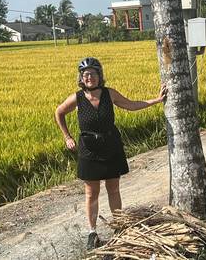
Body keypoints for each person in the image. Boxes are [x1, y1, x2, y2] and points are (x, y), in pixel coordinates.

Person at [54, 57, 167, 250]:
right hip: (88, 148)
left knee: (113, 189)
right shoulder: (77, 97)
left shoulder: (109, 94)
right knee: (91, 193)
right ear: (81, 77)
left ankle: (119, 227)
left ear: (99, 76)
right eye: (85, 74)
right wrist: (67, 137)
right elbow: (59, 112)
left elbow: (131, 105)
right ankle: (92, 232)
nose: (89, 77)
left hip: (111, 145)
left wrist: (156, 100)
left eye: (93, 73)